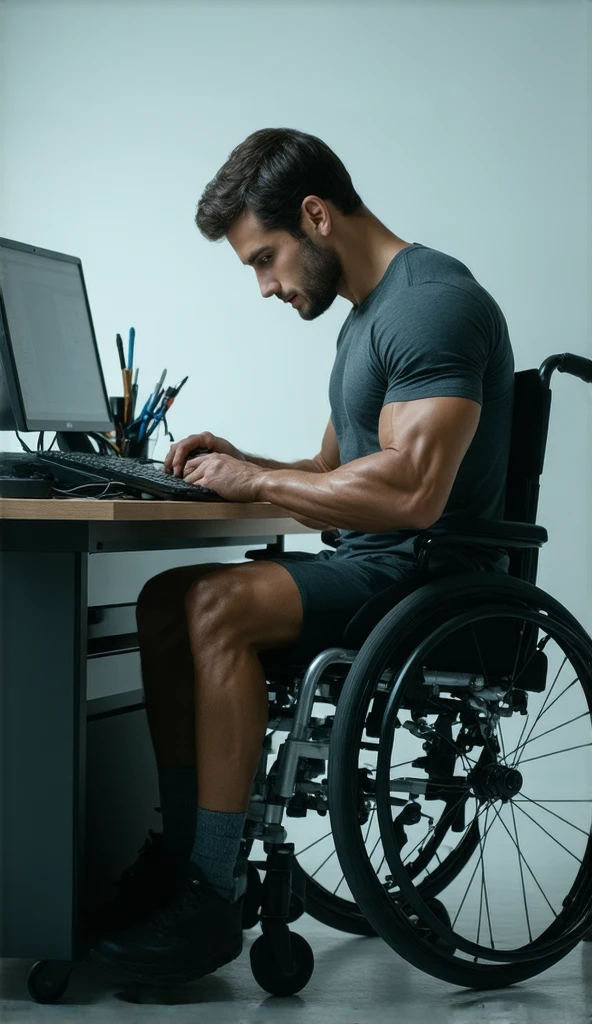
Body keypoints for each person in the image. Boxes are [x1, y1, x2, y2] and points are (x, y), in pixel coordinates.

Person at [87, 127, 514, 985]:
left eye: (265, 258)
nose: (265, 285)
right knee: (167, 599)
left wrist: (252, 481)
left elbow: (413, 493)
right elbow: (330, 471)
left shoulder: (432, 303)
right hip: (377, 567)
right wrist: (239, 462)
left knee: (213, 605)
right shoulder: (368, 318)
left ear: (316, 215)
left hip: (423, 580)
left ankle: (213, 890)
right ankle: (180, 862)